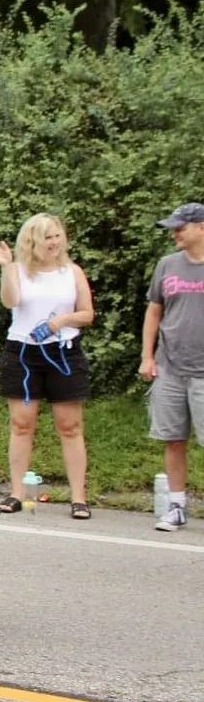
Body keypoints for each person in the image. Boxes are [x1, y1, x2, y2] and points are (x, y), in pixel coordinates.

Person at [0, 213, 95, 518]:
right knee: (22, 424)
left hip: (63, 354)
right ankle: (17, 493)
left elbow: (87, 314)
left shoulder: (72, 272)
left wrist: (61, 321)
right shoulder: (18, 270)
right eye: (47, 237)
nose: (54, 243)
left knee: (69, 425)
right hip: (22, 354)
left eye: (57, 236)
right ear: (32, 242)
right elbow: (10, 301)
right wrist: (6, 268)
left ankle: (79, 497)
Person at [141, 202, 204, 531]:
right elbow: (154, 311)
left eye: (181, 227)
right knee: (174, 439)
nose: (175, 233)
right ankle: (177, 506)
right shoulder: (167, 265)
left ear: (201, 227)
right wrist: (147, 356)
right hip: (170, 367)